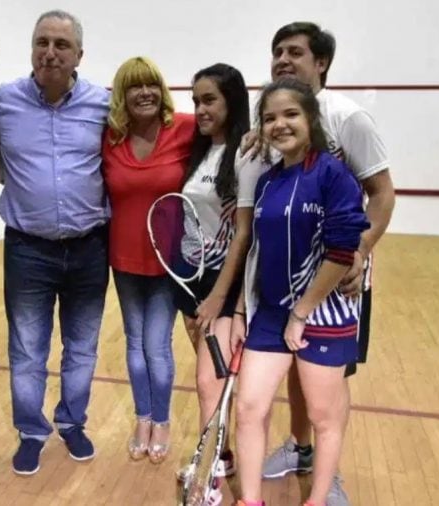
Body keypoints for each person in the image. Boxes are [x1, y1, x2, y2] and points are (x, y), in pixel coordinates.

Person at [251, 22, 395, 505]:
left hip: (340, 282)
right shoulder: (272, 125)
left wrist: (359, 252)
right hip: (287, 289)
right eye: (277, 52)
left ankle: (327, 475)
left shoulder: (349, 118)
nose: (283, 59)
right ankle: (301, 448)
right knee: (296, 374)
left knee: (332, 384)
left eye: (295, 52)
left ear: (322, 63)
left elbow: (382, 193)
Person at [0, 10, 110, 475]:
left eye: (60, 44)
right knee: (28, 348)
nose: (49, 52)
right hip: (27, 249)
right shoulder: (0, 103)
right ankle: (31, 432)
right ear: (31, 47)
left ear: (78, 55)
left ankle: (72, 422)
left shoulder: (103, 104)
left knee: (82, 346)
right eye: (42, 42)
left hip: (91, 247)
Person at [232, 78, 370, 506]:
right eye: (270, 117)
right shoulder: (269, 180)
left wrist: (303, 311)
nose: (280, 124)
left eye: (290, 114)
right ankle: (250, 500)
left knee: (322, 417)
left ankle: (316, 499)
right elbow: (256, 250)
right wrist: (240, 311)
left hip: (323, 316)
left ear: (311, 118)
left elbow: (343, 249)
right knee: (249, 408)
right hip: (270, 315)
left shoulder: (334, 174)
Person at [172, 64, 262, 499]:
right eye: (195, 101)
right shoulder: (199, 150)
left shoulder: (248, 153)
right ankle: (221, 453)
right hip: (190, 275)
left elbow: (244, 236)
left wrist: (219, 297)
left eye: (209, 100)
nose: (200, 109)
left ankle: (211, 473)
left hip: (225, 282)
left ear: (232, 102)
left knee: (209, 382)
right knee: (215, 379)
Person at [102, 56, 196, 464]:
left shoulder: (186, 130)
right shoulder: (110, 137)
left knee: (156, 346)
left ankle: (162, 420)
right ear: (122, 95)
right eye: (134, 86)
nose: (145, 92)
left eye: (152, 84)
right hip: (122, 259)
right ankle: (143, 418)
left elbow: (228, 138)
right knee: (134, 344)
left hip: (168, 262)